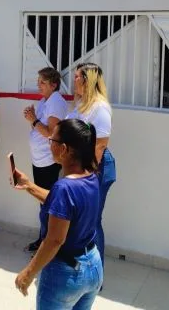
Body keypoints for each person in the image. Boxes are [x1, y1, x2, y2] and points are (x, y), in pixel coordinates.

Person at [13, 119, 103, 309]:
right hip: (93, 267)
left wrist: (28, 273)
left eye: (51, 140)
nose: (49, 144)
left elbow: (55, 240)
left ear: (64, 149)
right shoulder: (91, 176)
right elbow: (64, 205)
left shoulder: (64, 187)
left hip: (66, 273)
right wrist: (29, 185)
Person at [67, 63, 115, 273]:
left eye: (77, 77)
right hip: (80, 166)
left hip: (96, 168)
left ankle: (96, 274)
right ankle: (80, 267)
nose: (73, 80)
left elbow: (101, 144)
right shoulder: (81, 104)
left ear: (87, 80)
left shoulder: (99, 107)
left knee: (92, 220)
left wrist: (86, 173)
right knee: (80, 219)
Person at [22, 67, 68, 253]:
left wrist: (33, 120)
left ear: (53, 84)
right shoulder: (45, 101)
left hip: (49, 161)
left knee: (48, 204)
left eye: (42, 82)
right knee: (43, 204)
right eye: (38, 81)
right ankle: (43, 241)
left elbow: (51, 132)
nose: (38, 85)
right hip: (40, 160)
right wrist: (32, 117)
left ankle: (47, 247)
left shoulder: (56, 102)